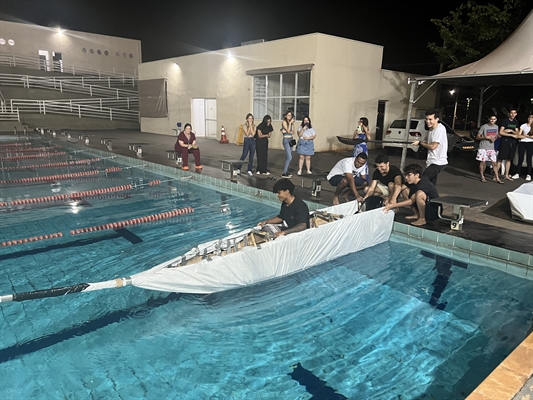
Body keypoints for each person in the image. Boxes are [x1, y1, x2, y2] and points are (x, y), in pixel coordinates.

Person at [413, 109, 447, 186]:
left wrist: (420, 143)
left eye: (430, 119)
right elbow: (428, 141)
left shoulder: (440, 129)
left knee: (424, 179)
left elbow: (433, 146)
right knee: (431, 184)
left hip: (438, 162)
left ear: (437, 119)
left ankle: (428, 196)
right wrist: (422, 141)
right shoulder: (431, 129)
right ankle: (431, 197)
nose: (428, 121)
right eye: (426, 119)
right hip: (431, 161)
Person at [476, 115, 503, 184]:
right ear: (489, 119)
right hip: (483, 147)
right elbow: (478, 137)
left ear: (496, 120)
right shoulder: (484, 126)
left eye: (494, 119)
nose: (492, 120)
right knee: (482, 162)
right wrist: (486, 137)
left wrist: (494, 138)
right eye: (491, 119)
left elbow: (496, 135)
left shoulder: (496, 127)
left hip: (491, 147)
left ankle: (497, 178)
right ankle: (482, 176)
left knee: (494, 163)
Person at [497, 108, 520, 181]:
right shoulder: (505, 121)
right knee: (500, 158)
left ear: (516, 114)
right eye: (511, 113)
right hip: (505, 142)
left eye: (514, 113)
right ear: (509, 114)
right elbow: (501, 132)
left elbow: (517, 133)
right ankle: (496, 175)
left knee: (509, 159)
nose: (513, 114)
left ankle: (506, 175)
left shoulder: (516, 122)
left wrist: (511, 131)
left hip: (512, 143)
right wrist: (511, 134)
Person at [511, 114, 533, 181]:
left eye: (531, 118)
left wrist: (527, 136)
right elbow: (518, 136)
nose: (530, 119)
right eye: (529, 117)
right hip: (522, 142)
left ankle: (529, 174)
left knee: (529, 158)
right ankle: (517, 173)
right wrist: (525, 136)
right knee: (520, 158)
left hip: (530, 143)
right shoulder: (523, 125)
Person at [280, 111, 295, 178]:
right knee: (289, 157)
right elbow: (288, 130)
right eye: (288, 115)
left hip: (291, 139)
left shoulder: (292, 123)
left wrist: (291, 124)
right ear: (286, 116)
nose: (290, 116)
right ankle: (284, 173)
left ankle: (286, 171)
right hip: (286, 139)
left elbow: (293, 132)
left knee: (288, 156)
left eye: (290, 115)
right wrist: (290, 123)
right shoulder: (284, 122)